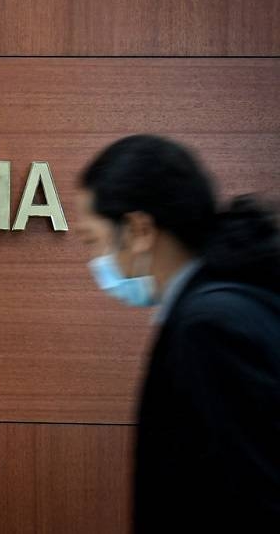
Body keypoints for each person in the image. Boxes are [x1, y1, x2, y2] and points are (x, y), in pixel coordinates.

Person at [77, 134, 280, 533]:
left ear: (139, 230)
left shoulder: (210, 327)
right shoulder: (232, 301)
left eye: (95, 241)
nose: (96, 262)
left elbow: (255, 499)